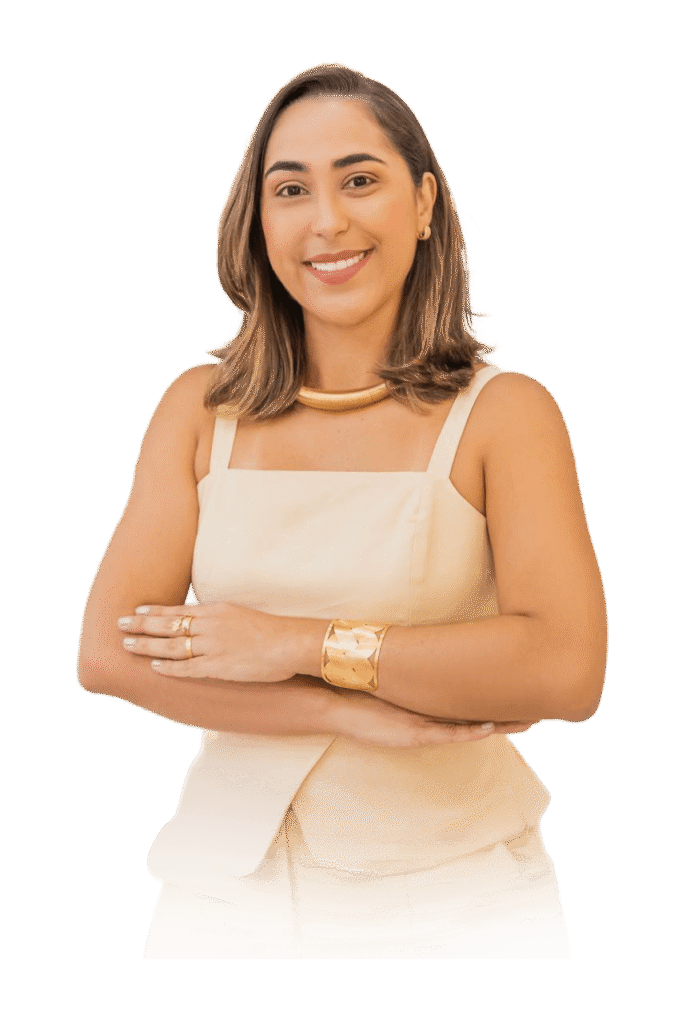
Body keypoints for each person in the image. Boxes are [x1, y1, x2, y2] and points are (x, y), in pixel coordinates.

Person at [77, 64, 607, 959]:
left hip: (459, 902)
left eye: (360, 180)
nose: (326, 220)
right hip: (222, 902)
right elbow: (108, 653)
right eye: (291, 190)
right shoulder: (200, 410)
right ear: (259, 222)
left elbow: (563, 668)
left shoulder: (505, 414)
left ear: (424, 203)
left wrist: (294, 644)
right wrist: (342, 712)